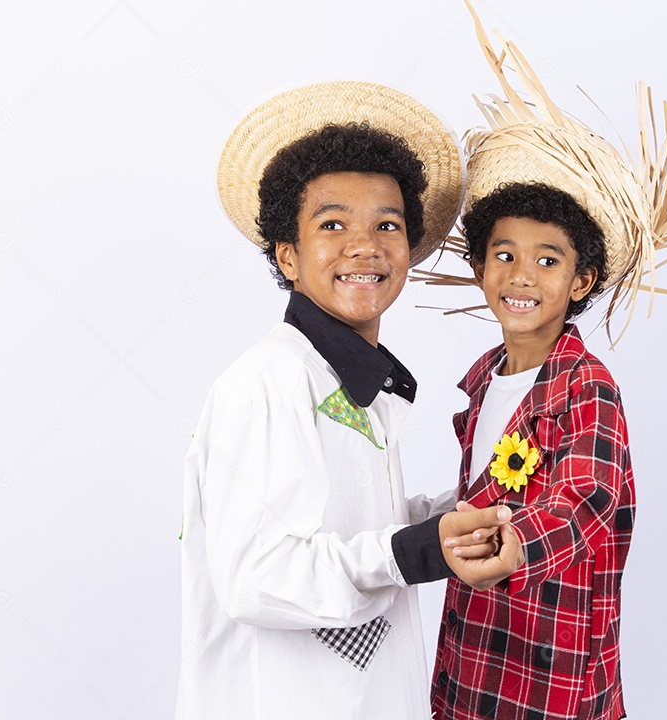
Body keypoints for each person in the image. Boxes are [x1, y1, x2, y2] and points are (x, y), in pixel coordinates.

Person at [176, 81, 520, 720]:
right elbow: (256, 575)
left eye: (386, 225)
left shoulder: (360, 386)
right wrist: (418, 550)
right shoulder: (267, 384)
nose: (365, 245)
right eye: (332, 224)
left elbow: (358, 526)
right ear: (289, 254)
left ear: (408, 251)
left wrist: (470, 505)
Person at [424, 5, 667, 718]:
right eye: (504, 255)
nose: (521, 276)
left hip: (554, 680)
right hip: (472, 663)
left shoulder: (588, 387)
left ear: (580, 282)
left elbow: (589, 498)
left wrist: (515, 546)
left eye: (548, 260)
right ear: (480, 268)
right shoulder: (483, 380)